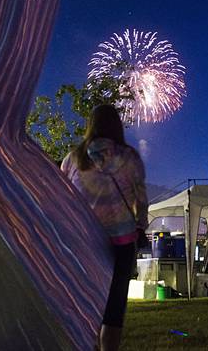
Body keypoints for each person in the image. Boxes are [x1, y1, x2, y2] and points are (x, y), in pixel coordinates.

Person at [61, 104, 148, 351]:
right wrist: (140, 224)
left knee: (83, 302)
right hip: (121, 243)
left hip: (83, 241)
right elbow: (141, 199)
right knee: (114, 307)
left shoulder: (73, 160)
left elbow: (64, 199)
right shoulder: (130, 158)